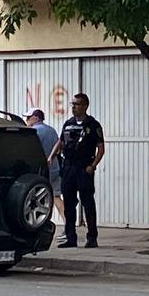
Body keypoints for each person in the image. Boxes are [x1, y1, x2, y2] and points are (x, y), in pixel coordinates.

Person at [47, 93, 105, 248]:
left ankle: (91, 237)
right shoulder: (68, 123)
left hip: (84, 167)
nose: (73, 107)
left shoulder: (93, 125)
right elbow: (61, 142)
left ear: (85, 106)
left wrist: (93, 166)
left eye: (77, 104)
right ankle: (70, 238)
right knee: (69, 204)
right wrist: (51, 157)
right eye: (72, 104)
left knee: (87, 203)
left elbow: (100, 148)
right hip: (69, 168)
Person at [24, 108, 64, 221]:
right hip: (54, 169)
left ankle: (41, 223)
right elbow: (58, 149)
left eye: (28, 118)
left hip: (40, 172)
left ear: (36, 118)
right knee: (56, 197)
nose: (26, 120)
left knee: (39, 199)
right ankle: (68, 224)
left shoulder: (33, 133)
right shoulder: (52, 130)